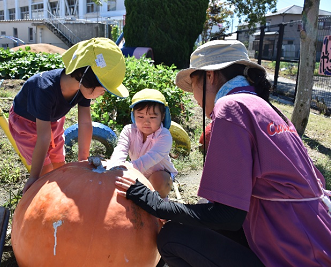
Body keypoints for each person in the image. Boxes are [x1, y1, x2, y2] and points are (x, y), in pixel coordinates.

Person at [115, 40, 331, 266]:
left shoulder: (231, 107)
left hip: (292, 255)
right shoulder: (265, 107)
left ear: (209, 76)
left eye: (193, 87)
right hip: (312, 240)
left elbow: (228, 216)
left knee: (172, 236)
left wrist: (155, 204)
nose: (196, 100)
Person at [9, 37, 128, 194]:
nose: (103, 93)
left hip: (53, 120)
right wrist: (33, 177)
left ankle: (57, 192)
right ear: (87, 77)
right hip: (27, 124)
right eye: (104, 88)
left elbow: (85, 124)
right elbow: (43, 137)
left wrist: (83, 161)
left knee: (59, 165)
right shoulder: (44, 88)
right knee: (46, 173)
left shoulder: (83, 87)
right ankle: (44, 193)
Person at [110, 88, 177, 198]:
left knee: (159, 181)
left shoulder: (164, 136)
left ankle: (158, 207)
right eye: (140, 116)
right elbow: (120, 149)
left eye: (152, 117)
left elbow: (150, 158)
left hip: (157, 174)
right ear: (133, 116)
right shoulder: (128, 130)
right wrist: (114, 166)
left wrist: (126, 169)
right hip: (136, 173)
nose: (146, 122)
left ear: (163, 116)